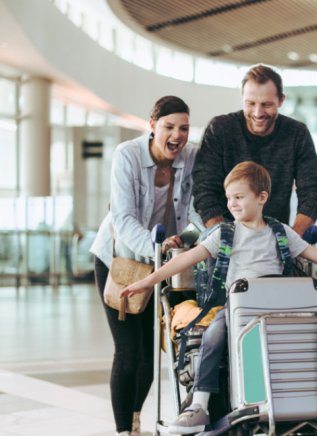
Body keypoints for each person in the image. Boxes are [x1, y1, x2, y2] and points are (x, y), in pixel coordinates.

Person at [120, 162, 317, 434]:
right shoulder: (224, 234)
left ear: (261, 198)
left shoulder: (280, 232)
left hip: (280, 305)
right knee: (213, 334)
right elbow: (185, 261)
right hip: (238, 307)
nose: (232, 204)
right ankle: (200, 405)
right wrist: (147, 281)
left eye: (239, 197)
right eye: (229, 197)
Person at [90, 96, 200, 436]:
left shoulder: (192, 157)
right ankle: (125, 430)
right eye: (169, 127)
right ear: (152, 126)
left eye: (183, 128)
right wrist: (156, 249)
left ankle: (136, 418)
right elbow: (122, 219)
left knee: (150, 359)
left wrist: (190, 238)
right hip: (119, 262)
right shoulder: (128, 155)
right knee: (128, 350)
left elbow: (196, 211)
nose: (177, 135)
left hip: (160, 267)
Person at [192, 64, 317, 235]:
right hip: (223, 239)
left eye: (266, 104)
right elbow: (204, 189)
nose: (258, 113)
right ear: (243, 99)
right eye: (251, 103)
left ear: (281, 100)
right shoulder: (220, 129)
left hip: (275, 240)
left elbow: (313, 191)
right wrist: (223, 238)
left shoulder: (297, 134)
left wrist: (292, 240)